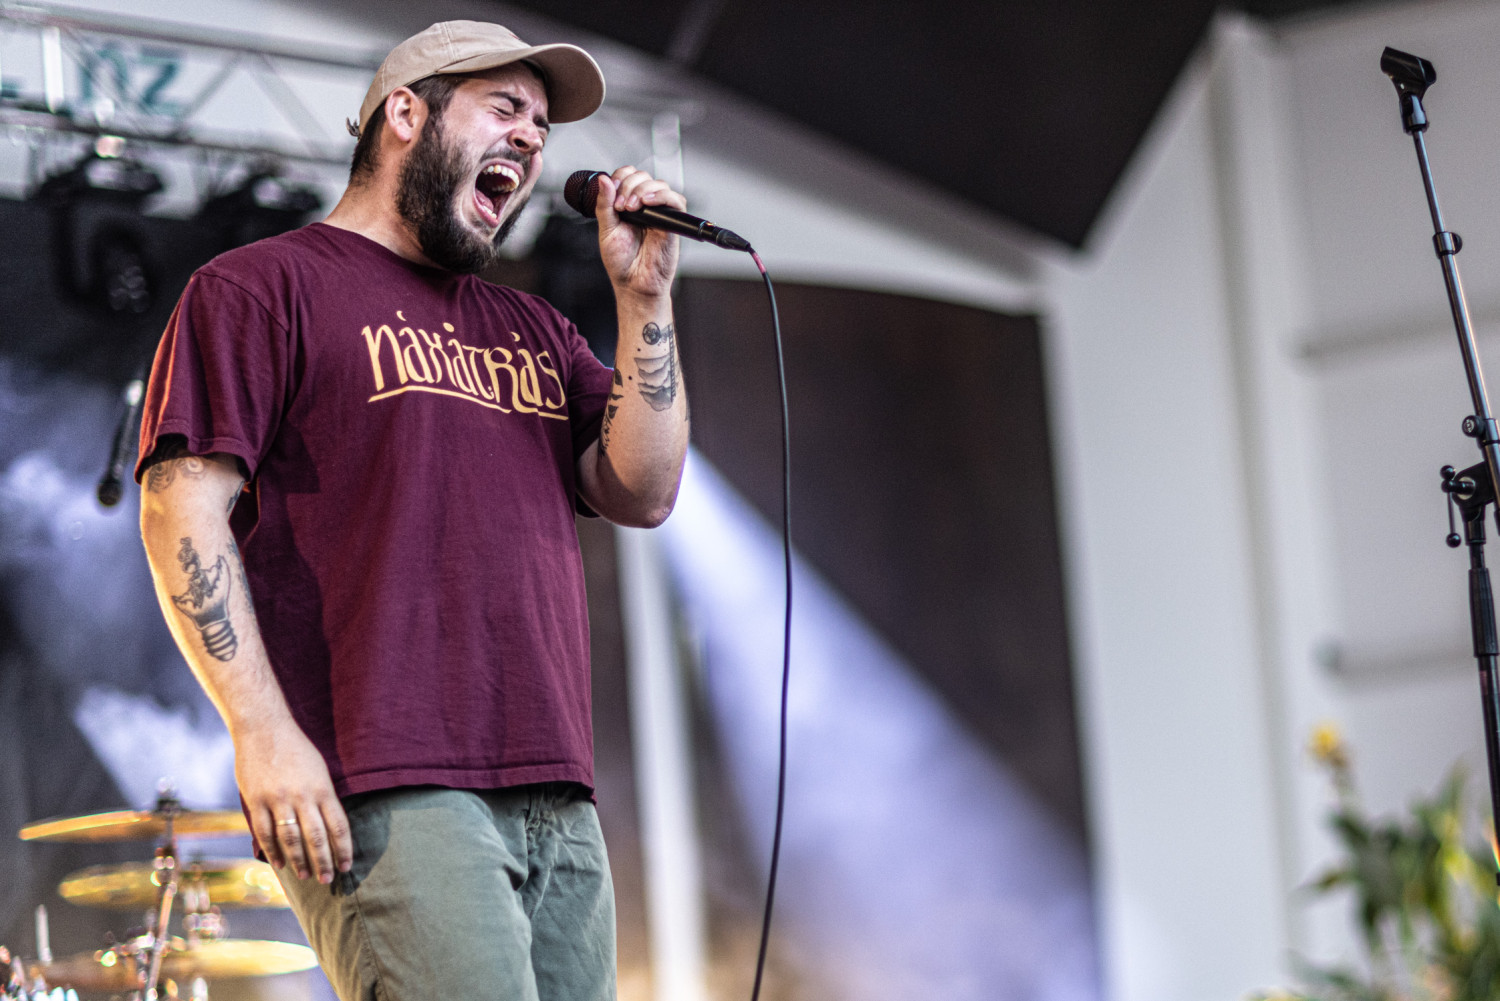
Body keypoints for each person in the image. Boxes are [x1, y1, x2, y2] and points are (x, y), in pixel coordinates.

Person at [135, 20, 690, 1001]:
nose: (530, 139)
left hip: (554, 782)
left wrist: (645, 301)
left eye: (543, 127)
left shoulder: (534, 327)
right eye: (505, 108)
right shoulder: (263, 287)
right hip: (386, 772)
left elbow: (642, 489)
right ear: (405, 114)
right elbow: (180, 509)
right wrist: (261, 729)